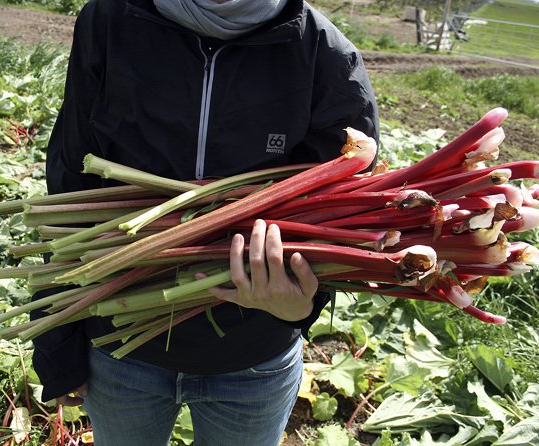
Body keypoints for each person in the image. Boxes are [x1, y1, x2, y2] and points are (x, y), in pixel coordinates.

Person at [31, 0, 379, 444]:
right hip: (121, 347)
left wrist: (298, 310)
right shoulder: (110, 21)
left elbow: (345, 216)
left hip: (253, 361)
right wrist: (58, 345)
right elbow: (69, 187)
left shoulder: (324, 53)